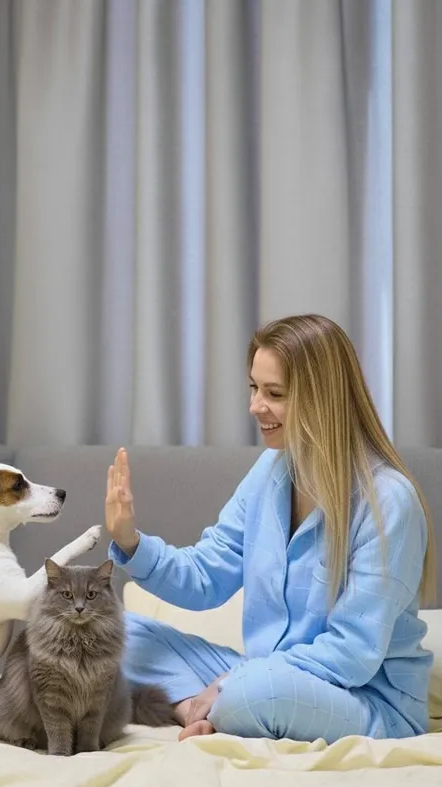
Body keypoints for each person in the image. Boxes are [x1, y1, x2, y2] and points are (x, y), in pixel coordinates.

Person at [104, 314, 436, 743]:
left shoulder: (389, 502)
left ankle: (224, 703)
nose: (255, 406)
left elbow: (352, 654)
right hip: (263, 677)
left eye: (274, 393)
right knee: (110, 634)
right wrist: (129, 538)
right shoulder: (270, 472)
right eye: (254, 387)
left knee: (250, 694)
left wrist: (230, 684)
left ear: (324, 398)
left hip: (365, 700)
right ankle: (193, 709)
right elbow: (205, 576)